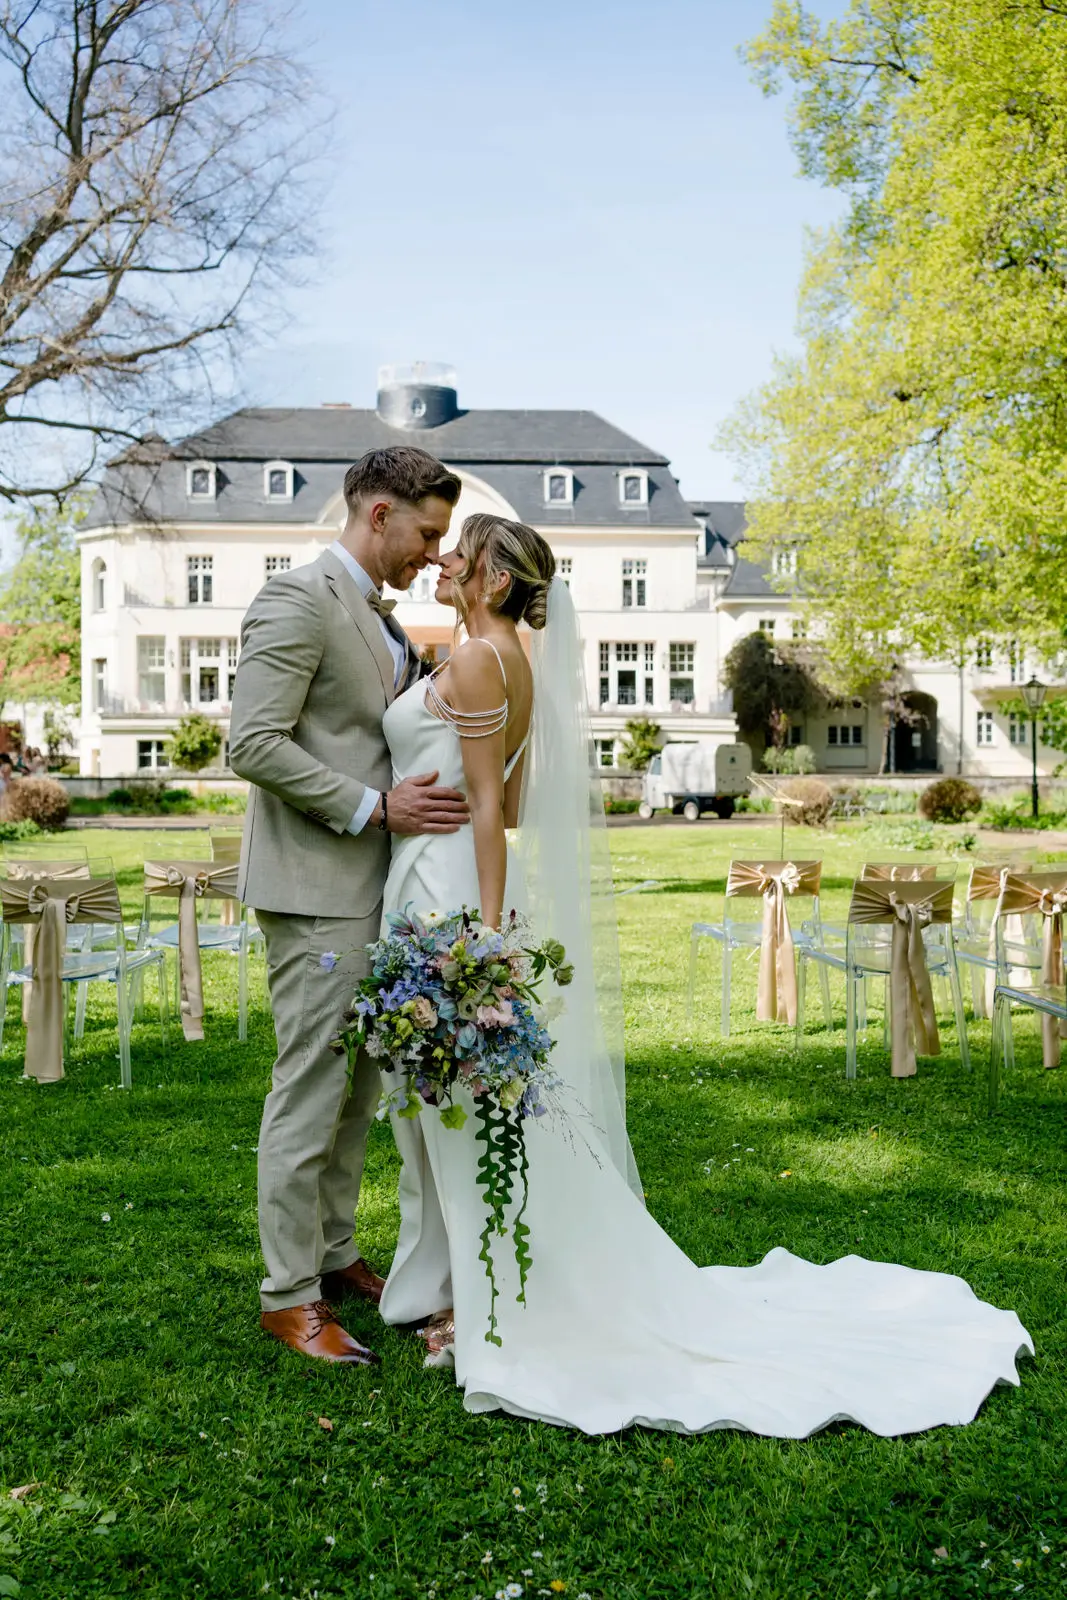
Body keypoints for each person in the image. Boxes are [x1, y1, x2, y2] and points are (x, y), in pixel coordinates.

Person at [376, 512, 1032, 1437]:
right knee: (465, 1103)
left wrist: (485, 937)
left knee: (467, 1104)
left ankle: (479, 1299)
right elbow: (509, 789)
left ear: (489, 579)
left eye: (460, 553)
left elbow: (491, 807)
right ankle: (460, 1285)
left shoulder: (482, 661)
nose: (442, 561)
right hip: (434, 876)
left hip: (451, 891)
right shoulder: (498, 658)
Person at [228, 446, 469, 1366]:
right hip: (316, 890)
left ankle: (331, 1257)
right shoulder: (298, 599)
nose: (430, 552)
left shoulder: (379, 615)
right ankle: (287, 1297)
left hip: (376, 894)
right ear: (377, 514)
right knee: (309, 1094)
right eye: (425, 533)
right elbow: (252, 743)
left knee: (356, 1094)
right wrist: (374, 808)